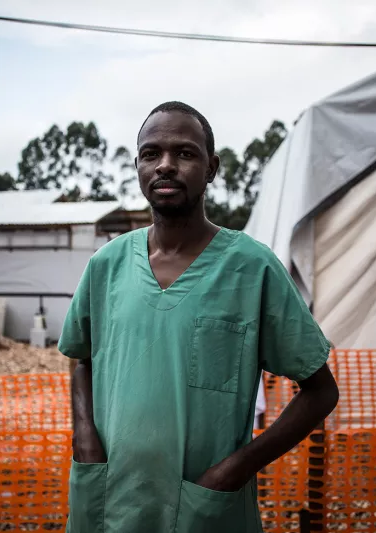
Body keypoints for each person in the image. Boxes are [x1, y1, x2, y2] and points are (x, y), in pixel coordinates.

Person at [59, 101, 339, 533]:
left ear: (211, 168)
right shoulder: (107, 265)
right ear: (137, 166)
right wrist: (85, 437)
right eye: (151, 154)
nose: (165, 166)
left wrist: (237, 469)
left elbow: (320, 392)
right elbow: (83, 358)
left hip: (202, 506)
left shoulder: (251, 268)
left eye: (184, 154)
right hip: (109, 498)